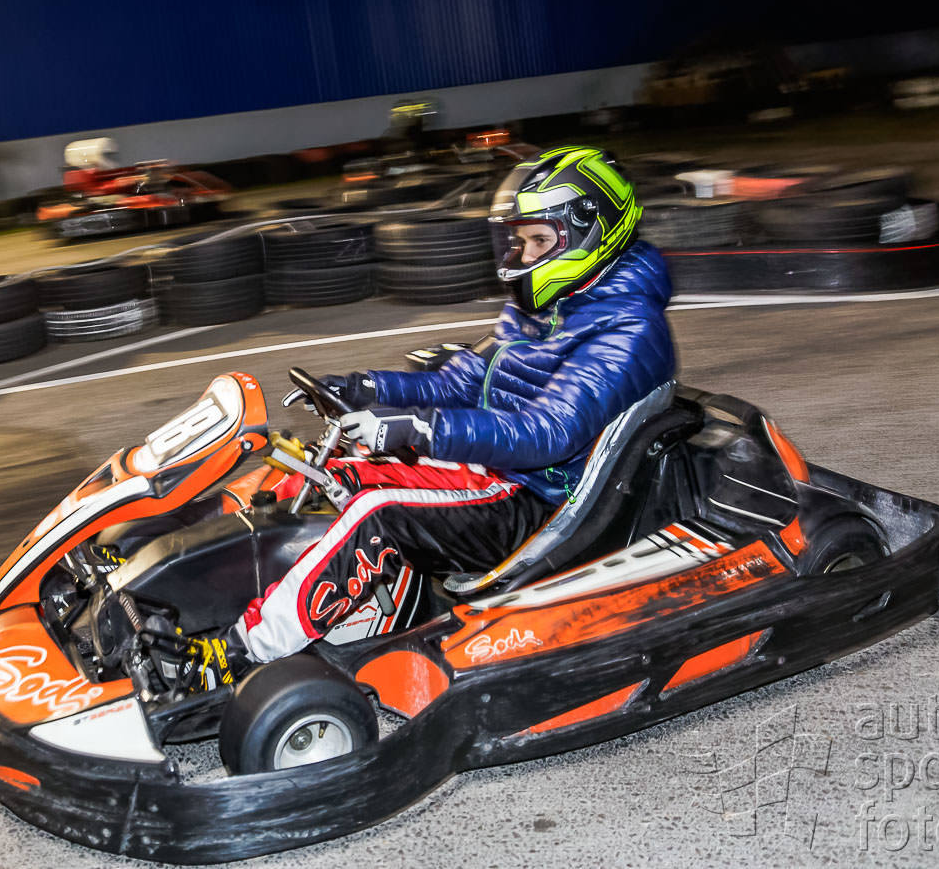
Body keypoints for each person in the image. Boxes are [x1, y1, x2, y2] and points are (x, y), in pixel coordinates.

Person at [186, 146, 676, 688]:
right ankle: (193, 565)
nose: (522, 254)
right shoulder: (542, 308)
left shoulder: (628, 330)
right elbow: (456, 383)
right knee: (320, 468)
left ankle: (238, 655)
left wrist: (420, 429)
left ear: (591, 231)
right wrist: (363, 388)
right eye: (519, 240)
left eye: (538, 240)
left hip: (537, 501)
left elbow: (547, 432)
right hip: (490, 470)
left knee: (377, 512)